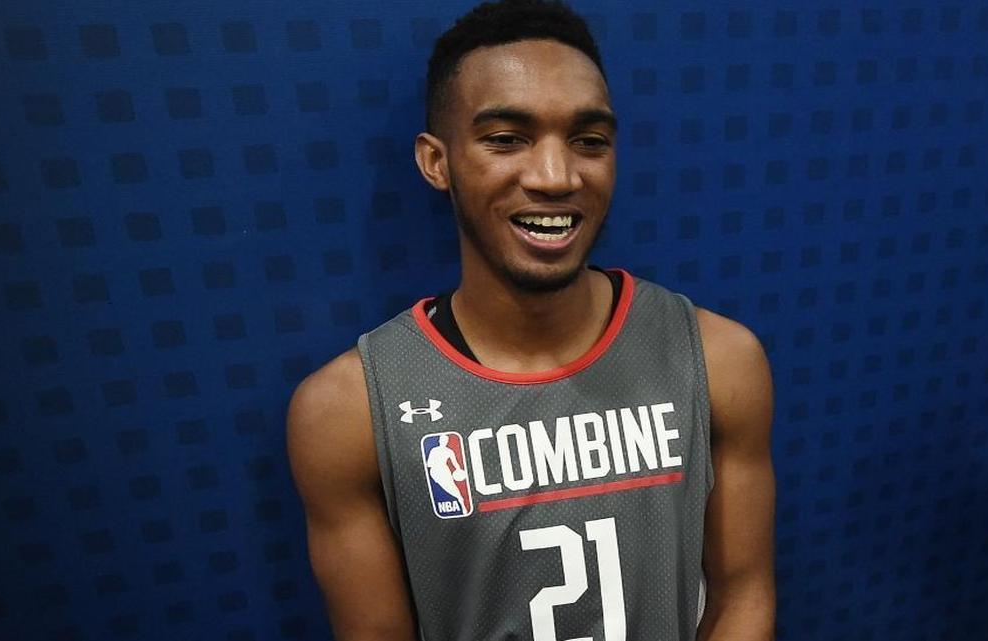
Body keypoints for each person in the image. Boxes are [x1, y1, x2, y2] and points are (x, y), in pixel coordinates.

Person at [286, 1, 776, 639]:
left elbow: (745, 595)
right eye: (506, 139)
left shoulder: (720, 358)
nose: (555, 176)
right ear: (438, 162)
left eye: (588, 141)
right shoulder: (346, 411)